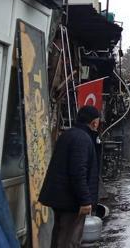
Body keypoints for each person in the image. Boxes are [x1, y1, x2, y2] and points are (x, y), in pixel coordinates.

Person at [39, 106, 101, 248]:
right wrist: (85, 200)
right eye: (97, 121)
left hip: (61, 198)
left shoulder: (69, 135)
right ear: (94, 122)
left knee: (60, 235)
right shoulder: (82, 139)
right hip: (71, 201)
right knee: (69, 240)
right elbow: (78, 172)